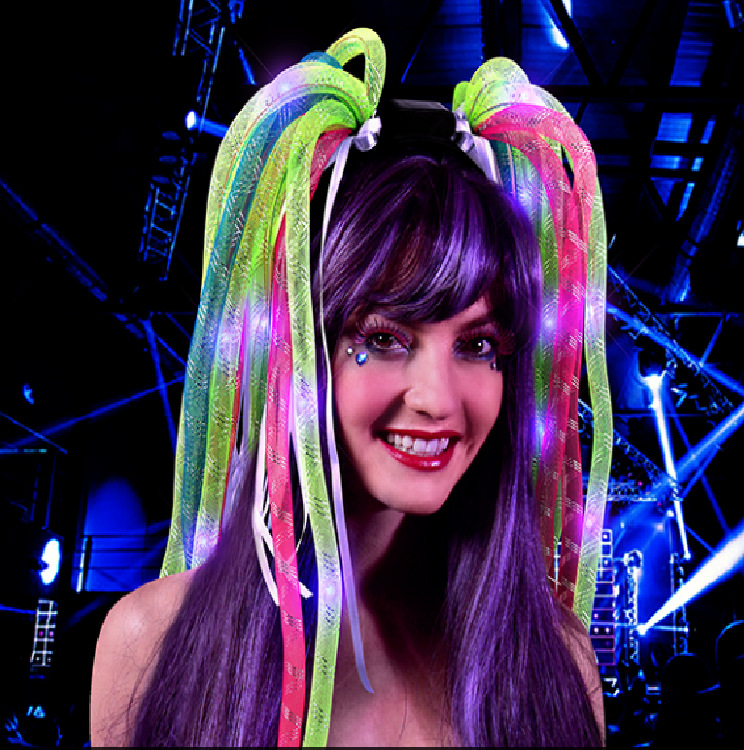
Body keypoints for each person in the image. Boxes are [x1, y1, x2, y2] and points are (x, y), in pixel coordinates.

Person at [90, 28, 611, 747]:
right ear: (305, 349)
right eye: (385, 338)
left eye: (478, 345)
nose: (438, 399)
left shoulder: (560, 665)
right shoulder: (148, 644)